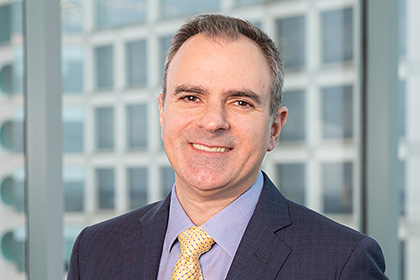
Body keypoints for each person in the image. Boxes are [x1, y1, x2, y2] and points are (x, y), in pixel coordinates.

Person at [68, 14, 388, 279]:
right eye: (192, 97)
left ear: (274, 128)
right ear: (162, 112)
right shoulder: (96, 249)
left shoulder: (342, 262)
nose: (212, 122)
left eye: (240, 102)